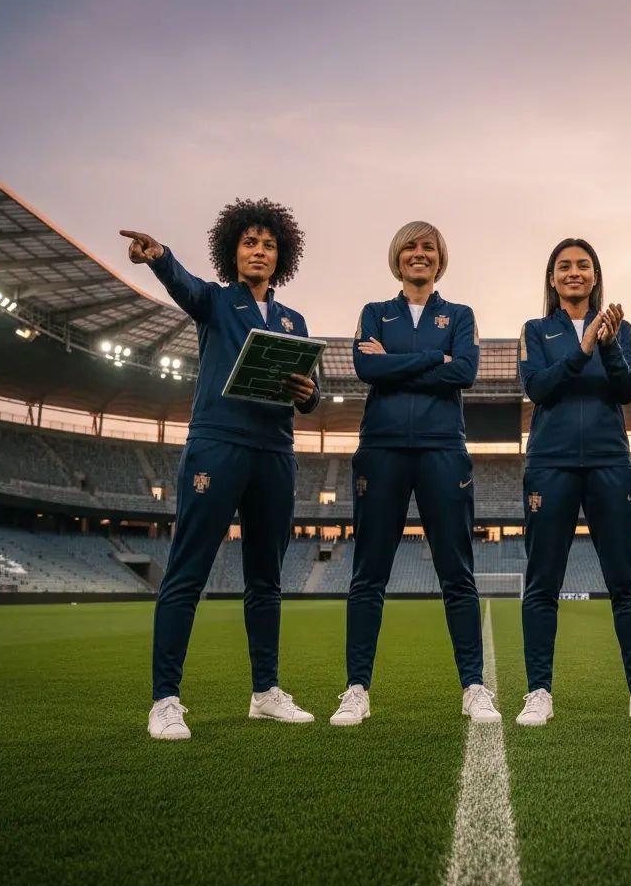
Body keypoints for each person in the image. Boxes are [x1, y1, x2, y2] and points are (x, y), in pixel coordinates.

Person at [122, 198, 320, 741]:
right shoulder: (213, 301)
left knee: (267, 579)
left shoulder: (292, 320)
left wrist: (310, 393)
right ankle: (165, 700)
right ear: (232, 250)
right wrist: (160, 257)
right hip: (217, 445)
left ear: (283, 256)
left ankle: (265, 692)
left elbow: (307, 391)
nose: (260, 251)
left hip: (276, 452)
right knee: (188, 571)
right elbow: (183, 285)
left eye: (269, 244)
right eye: (250, 242)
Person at [329, 221, 499, 726]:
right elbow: (367, 370)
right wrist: (432, 359)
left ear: (439, 258)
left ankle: (473, 686)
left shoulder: (460, 314)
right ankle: (357, 687)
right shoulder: (374, 313)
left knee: (457, 574)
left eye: (428, 247)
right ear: (397, 257)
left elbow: (463, 372)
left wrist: (399, 361)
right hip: (381, 449)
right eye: (410, 247)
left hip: (442, 450)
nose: (418, 254)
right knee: (368, 574)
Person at [516, 238, 631, 727]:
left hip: (609, 462)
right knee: (542, 584)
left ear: (596, 276)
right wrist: (582, 353)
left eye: (583, 265)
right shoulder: (536, 329)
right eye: (564, 266)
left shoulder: (618, 330)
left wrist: (608, 347)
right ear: (552, 278)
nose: (574, 272)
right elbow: (537, 387)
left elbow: (628, 390)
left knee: (626, 583)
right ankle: (539, 691)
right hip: (551, 463)